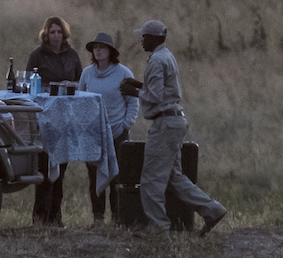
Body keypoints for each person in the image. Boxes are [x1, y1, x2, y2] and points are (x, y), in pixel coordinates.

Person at [120, 18, 225, 235]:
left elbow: (156, 96)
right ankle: (212, 209)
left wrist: (135, 92)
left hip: (164, 123)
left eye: (144, 37)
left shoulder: (156, 61)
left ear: (153, 38)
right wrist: (140, 85)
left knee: (150, 178)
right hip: (175, 120)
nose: (141, 41)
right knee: (174, 177)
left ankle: (158, 226)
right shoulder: (167, 56)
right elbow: (165, 90)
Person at [76, 32, 138, 222]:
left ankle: (117, 217)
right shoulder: (87, 73)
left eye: (102, 47)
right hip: (93, 133)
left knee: (117, 177)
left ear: (111, 51)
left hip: (117, 131)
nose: (98, 51)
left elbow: (133, 102)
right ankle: (98, 217)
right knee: (94, 176)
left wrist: (125, 124)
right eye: (96, 48)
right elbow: (80, 99)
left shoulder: (124, 73)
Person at [25, 16, 81, 225]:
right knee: (45, 168)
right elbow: (29, 85)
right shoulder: (37, 56)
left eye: (59, 32)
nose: (56, 36)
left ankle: (56, 218)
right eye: (52, 32)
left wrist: (71, 85)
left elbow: (81, 81)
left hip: (66, 116)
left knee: (61, 169)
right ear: (46, 35)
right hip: (44, 116)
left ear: (64, 34)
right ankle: (40, 218)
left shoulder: (72, 55)